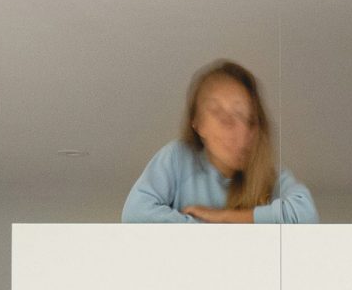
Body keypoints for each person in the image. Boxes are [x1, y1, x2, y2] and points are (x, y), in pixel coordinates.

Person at [123, 60, 317, 224]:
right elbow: (135, 213)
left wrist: (223, 217)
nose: (239, 132)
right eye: (223, 118)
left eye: (248, 120)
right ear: (197, 124)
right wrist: (210, 231)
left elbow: (306, 215)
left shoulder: (270, 176)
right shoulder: (177, 158)